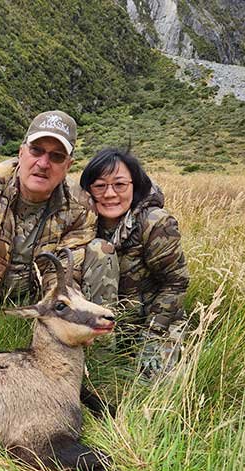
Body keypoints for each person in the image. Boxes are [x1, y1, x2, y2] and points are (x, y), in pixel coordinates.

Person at [0, 109, 117, 416]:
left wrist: (69, 320)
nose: (43, 163)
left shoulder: (80, 206)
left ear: (68, 165)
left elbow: (69, 273)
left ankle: (96, 370)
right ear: (21, 151)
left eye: (56, 157)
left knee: (101, 252)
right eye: (37, 151)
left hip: (40, 300)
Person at [78, 147, 189, 378]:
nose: (110, 194)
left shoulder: (155, 223)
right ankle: (102, 357)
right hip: (101, 327)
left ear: (134, 186)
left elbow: (175, 284)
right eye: (100, 186)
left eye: (119, 185)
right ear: (88, 191)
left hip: (154, 323)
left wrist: (153, 334)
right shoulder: (80, 224)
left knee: (155, 386)